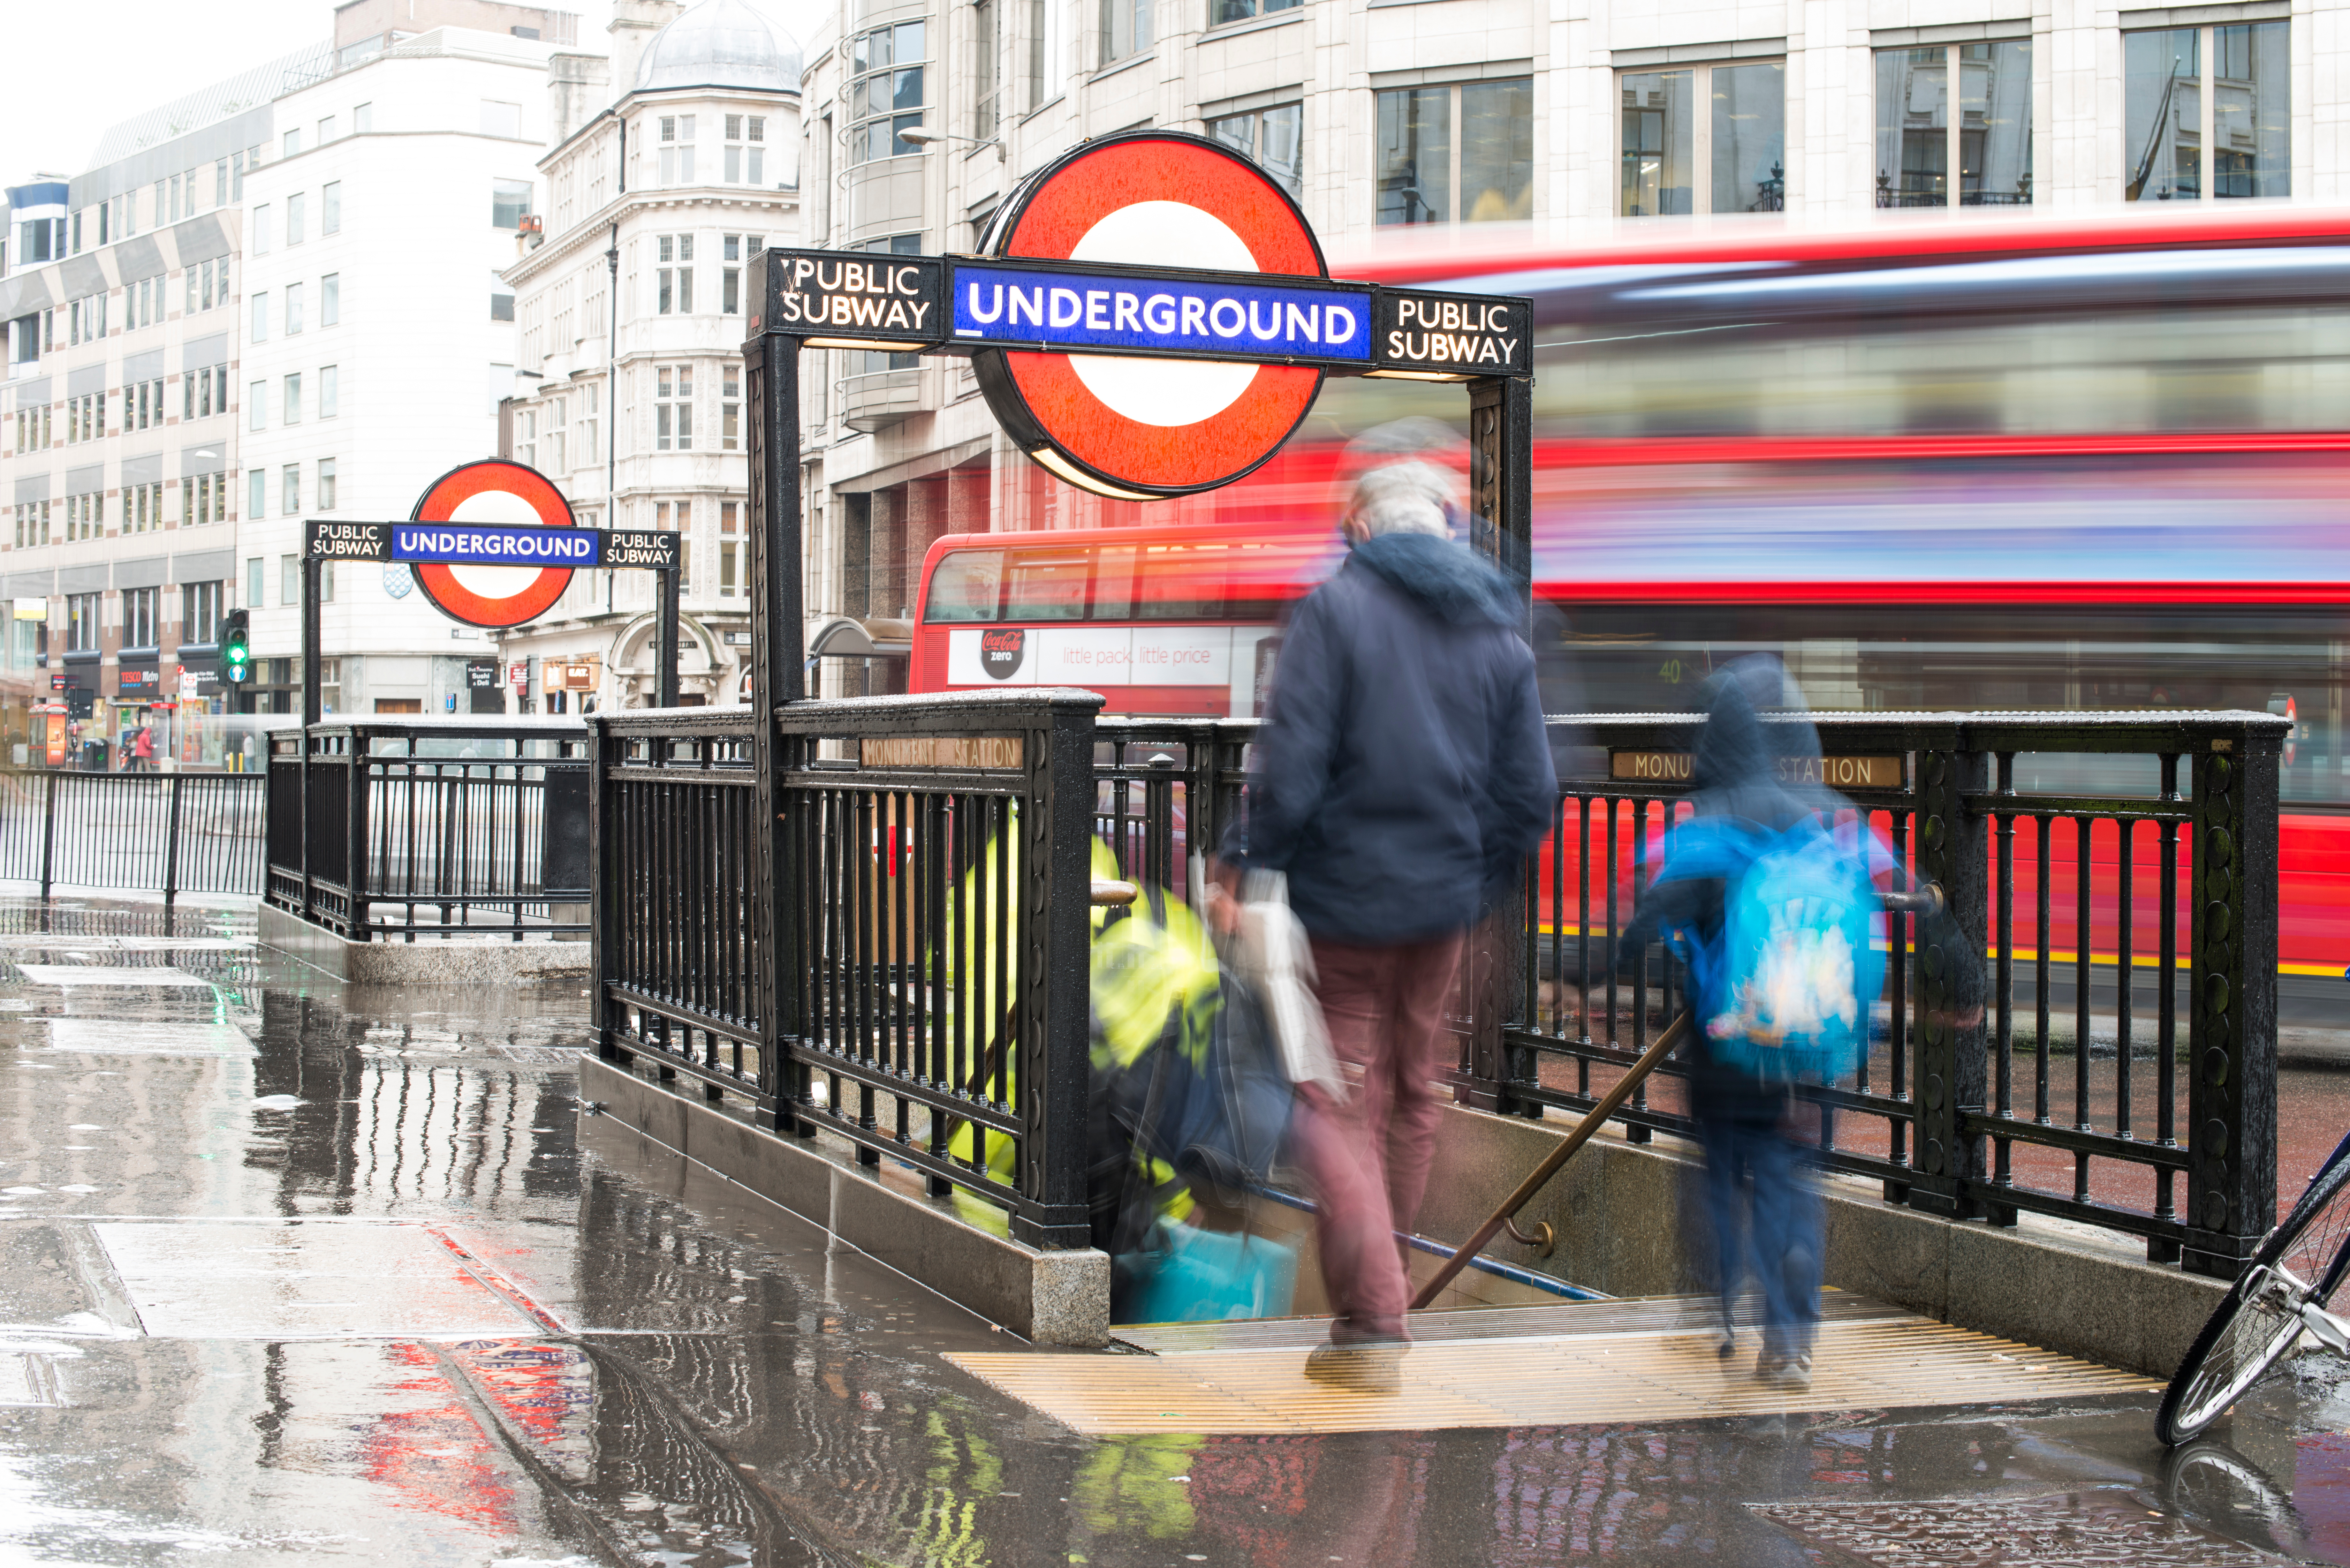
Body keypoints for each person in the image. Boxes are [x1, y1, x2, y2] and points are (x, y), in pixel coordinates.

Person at [1212, 457, 1557, 1391]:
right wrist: (1469, 881)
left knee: (1325, 1094)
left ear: (1362, 531)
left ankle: (1372, 1317)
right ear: (1445, 531)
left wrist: (1243, 862)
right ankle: (1389, 1287)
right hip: (1443, 912)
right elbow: (1532, 798)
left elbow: (1293, 771)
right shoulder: (1499, 629)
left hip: (1346, 903)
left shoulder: (1336, 610)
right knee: (1411, 1096)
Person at [1616, 657, 1855, 1389]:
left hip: (1723, 1049)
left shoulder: (1705, 832)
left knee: (1720, 1171)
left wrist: (1600, 970)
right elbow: (1902, 889)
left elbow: (1642, 930)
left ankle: (1721, 1302)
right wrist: (1961, 981)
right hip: (1808, 1048)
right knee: (1788, 1176)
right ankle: (1789, 1331)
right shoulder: (1819, 817)